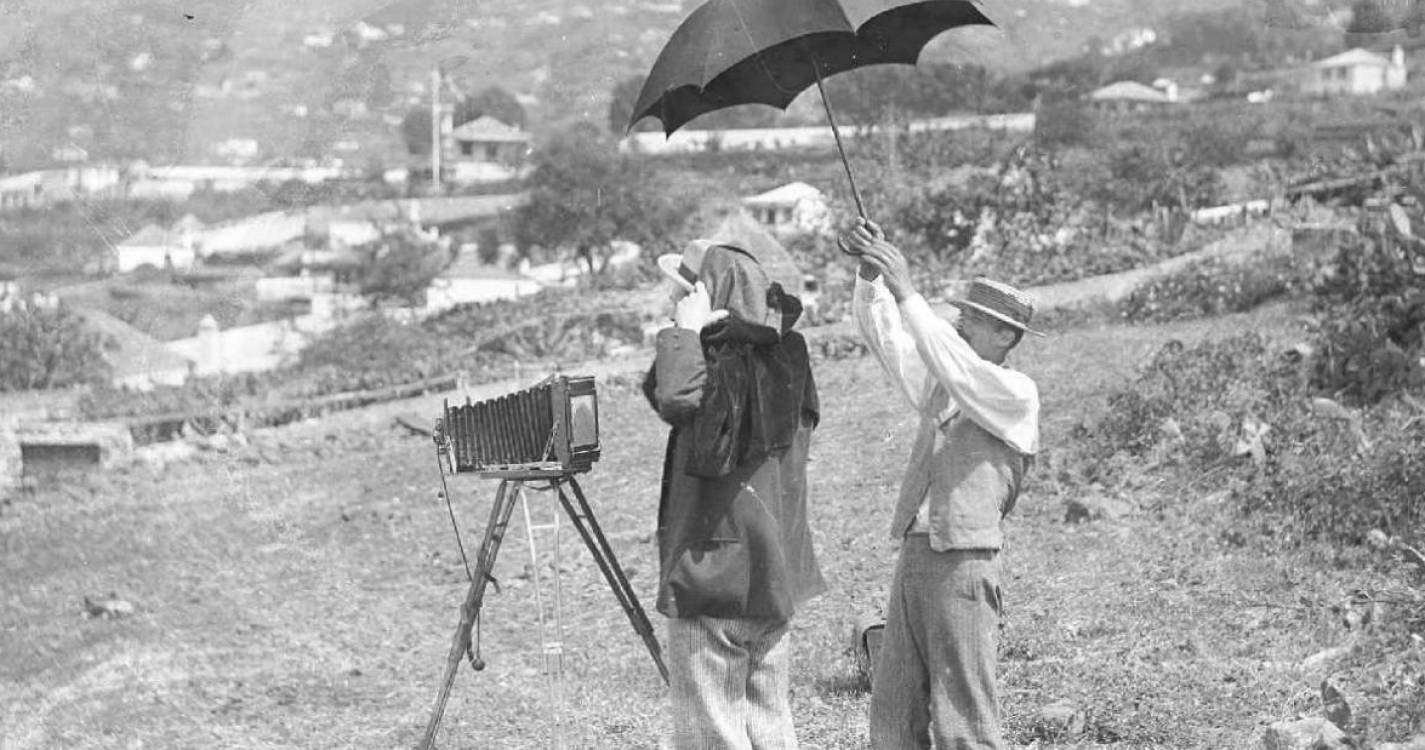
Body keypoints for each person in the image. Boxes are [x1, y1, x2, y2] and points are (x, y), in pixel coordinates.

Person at [841, 218, 1042, 750]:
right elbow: (891, 342)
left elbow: (956, 368)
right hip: (917, 553)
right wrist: (872, 278)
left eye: (975, 320)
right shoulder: (944, 379)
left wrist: (908, 288)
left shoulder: (1013, 393)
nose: (961, 325)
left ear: (1006, 336)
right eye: (963, 315)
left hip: (964, 560)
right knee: (894, 710)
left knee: (964, 717)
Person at [642, 233, 825, 749]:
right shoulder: (789, 354)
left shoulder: (718, 360)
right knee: (767, 718)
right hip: (776, 572)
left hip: (717, 572)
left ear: (709, 294)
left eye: (685, 291)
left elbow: (676, 400)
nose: (675, 301)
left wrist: (685, 334)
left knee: (711, 729)